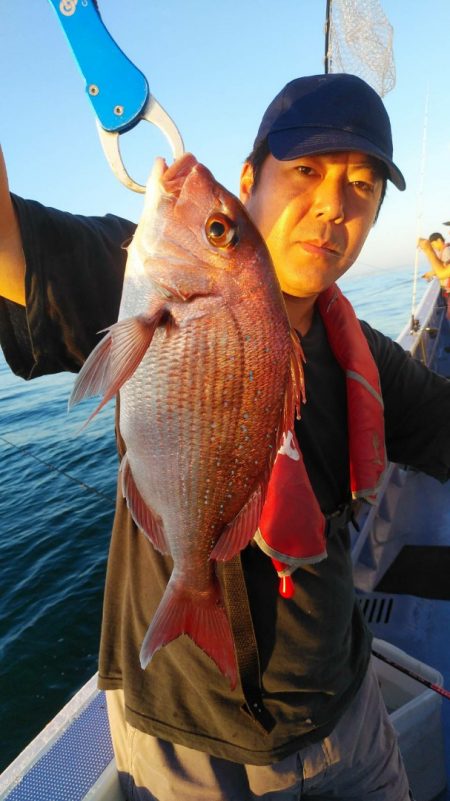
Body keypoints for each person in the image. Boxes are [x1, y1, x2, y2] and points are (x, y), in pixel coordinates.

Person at [2, 73, 450, 801]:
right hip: (192, 746)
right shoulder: (141, 275)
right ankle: (192, 585)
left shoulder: (369, 357)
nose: (334, 207)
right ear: (249, 181)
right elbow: (8, 242)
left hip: (346, 705)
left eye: (362, 187)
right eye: (306, 170)